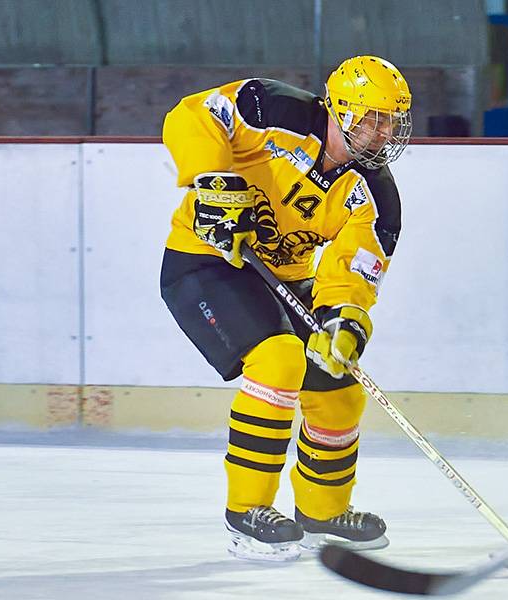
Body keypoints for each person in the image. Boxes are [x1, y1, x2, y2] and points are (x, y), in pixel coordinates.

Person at [159, 56, 412, 561]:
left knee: (338, 382)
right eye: (374, 118)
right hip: (205, 263)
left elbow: (352, 271)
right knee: (279, 361)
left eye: (392, 121)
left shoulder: (376, 198)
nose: (384, 133)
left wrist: (344, 320)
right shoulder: (269, 107)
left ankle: (322, 511)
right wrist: (211, 181)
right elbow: (193, 114)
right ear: (342, 109)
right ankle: (247, 512)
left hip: (283, 280)